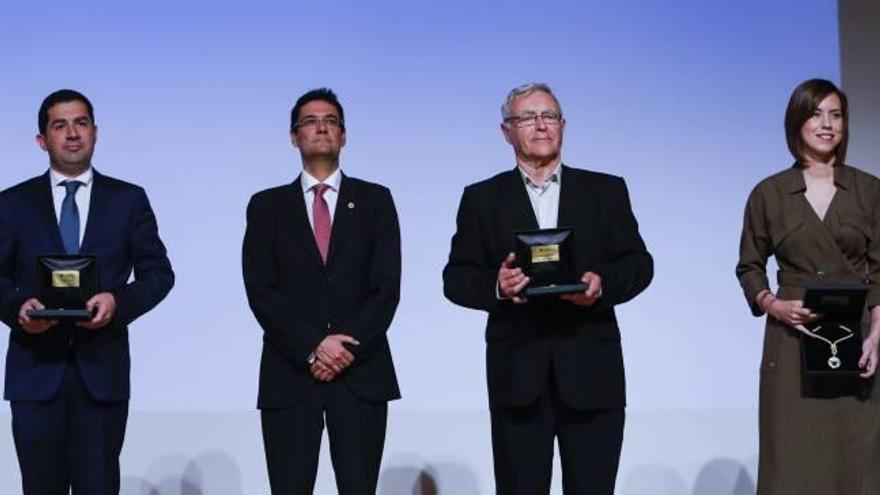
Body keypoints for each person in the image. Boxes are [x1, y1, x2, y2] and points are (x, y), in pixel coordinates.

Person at [443, 82, 653, 494]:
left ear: (563, 126)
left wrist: (602, 284)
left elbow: (639, 264)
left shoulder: (605, 191)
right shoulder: (482, 198)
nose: (540, 125)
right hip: (517, 374)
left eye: (549, 116)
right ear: (507, 131)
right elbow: (456, 278)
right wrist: (498, 286)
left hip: (592, 374)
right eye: (527, 117)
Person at [0, 89, 175, 494]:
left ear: (95, 133)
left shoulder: (128, 200)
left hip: (102, 371)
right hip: (35, 373)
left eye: (80, 123)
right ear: (42, 140)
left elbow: (159, 274)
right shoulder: (12, 204)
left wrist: (118, 301)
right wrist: (18, 307)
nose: (72, 134)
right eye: (60, 126)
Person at [242, 88, 401, 494]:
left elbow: (386, 288)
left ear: (344, 136)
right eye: (310, 121)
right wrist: (314, 346)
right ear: (294, 137)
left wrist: (344, 349)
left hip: (361, 372)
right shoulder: (266, 207)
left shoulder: (376, 201)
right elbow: (262, 290)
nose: (321, 127)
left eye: (331, 121)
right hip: (290, 372)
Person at [736, 78, 880, 493]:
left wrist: (877, 335)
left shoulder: (868, 190)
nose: (827, 124)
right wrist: (772, 304)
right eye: (816, 113)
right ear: (796, 121)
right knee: (792, 465)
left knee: (858, 460)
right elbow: (749, 267)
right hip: (792, 338)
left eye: (836, 115)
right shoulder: (769, 193)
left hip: (855, 340)